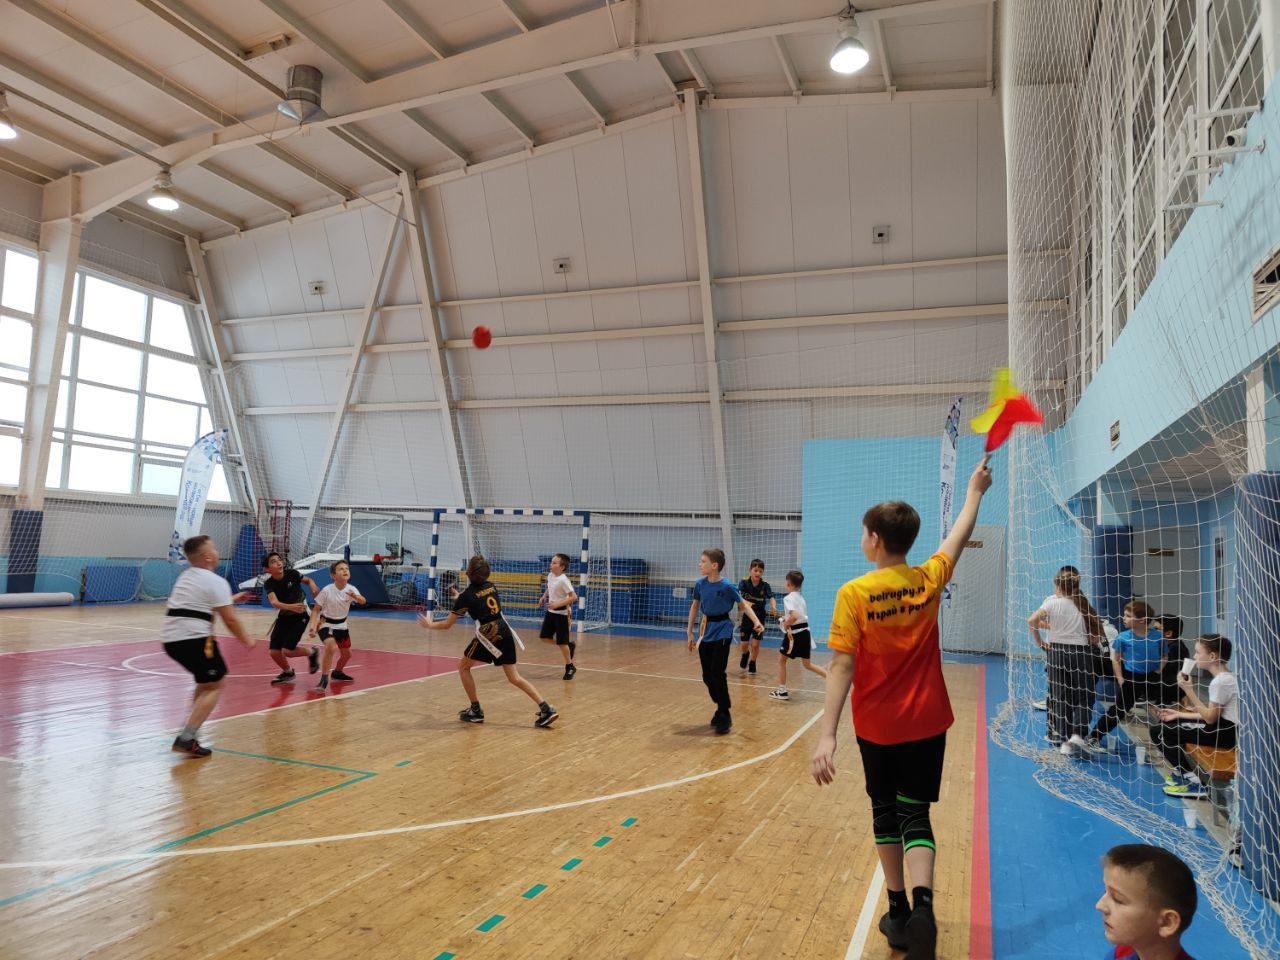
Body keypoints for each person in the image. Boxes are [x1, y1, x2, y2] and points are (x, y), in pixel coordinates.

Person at [812, 454, 993, 960]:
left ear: (873, 538)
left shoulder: (855, 593)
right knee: (916, 815)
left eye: (863, 532)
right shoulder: (928, 579)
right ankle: (923, 908)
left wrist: (827, 734)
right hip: (928, 721)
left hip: (878, 726)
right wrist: (975, 491)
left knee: (885, 813)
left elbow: (841, 667)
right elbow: (957, 536)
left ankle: (896, 911)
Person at [418, 555, 558, 728]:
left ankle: (476, 711)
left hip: (488, 634)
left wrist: (430, 625)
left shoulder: (466, 597)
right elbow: (478, 599)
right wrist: (460, 597)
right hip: (504, 629)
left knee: (464, 667)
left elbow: (447, 625)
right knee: (514, 677)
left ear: (468, 573)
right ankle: (546, 708)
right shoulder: (491, 586)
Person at [162, 535, 257, 757]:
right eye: (214, 549)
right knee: (216, 685)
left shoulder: (186, 577)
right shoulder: (216, 581)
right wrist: (246, 639)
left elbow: (200, 603)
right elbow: (230, 620)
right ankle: (186, 738)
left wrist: (232, 599)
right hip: (194, 639)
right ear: (208, 557)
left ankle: (190, 729)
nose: (217, 552)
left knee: (205, 683)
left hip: (171, 640)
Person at [1028, 566, 1105, 755]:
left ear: (1057, 585)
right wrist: (1090, 638)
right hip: (1080, 653)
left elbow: (1032, 620)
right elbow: (1098, 632)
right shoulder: (1081, 603)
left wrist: (1039, 641)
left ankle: (1064, 740)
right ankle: (1077, 735)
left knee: (1060, 696)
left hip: (1056, 652)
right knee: (1084, 695)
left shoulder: (1051, 603)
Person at [687, 548, 764, 735]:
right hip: (706, 630)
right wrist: (689, 632)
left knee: (717, 671)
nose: (699, 564)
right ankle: (721, 706)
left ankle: (724, 713)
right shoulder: (700, 584)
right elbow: (695, 606)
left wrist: (756, 621)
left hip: (723, 630)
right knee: (707, 676)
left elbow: (743, 605)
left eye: (703, 561)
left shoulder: (728, 586)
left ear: (714, 565)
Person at [1151, 634, 1238, 799]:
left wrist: (1188, 690)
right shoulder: (1227, 677)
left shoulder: (1220, 682)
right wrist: (1179, 714)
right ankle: (1181, 772)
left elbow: (1210, 718)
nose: (1194, 656)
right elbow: (1213, 714)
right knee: (1171, 723)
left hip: (1222, 734)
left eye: (1198, 652)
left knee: (1159, 731)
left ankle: (1193, 782)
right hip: (1222, 729)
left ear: (1212, 656)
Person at [1082, 600, 1165, 752]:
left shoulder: (1158, 637)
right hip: (1130, 677)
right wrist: (1120, 678)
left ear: (1142, 620)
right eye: (1124, 615)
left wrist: (1158, 671)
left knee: (1157, 706)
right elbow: (1116, 659)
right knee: (1119, 710)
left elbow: (1165, 655)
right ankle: (1093, 736)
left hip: (1150, 678)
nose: (1123, 618)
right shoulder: (1123, 637)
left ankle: (1166, 737)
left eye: (1128, 616)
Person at [1096, 844, 1198, 959]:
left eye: (1117, 899)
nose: (1099, 905)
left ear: (1166, 922)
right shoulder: (1121, 952)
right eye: (1105, 891)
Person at [260, 551, 320, 684]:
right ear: (267, 569)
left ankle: (312, 652)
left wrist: (313, 586)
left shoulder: (292, 574)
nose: (278, 563)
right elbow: (274, 603)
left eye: (279, 560)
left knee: (287, 650)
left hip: (301, 614)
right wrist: (290, 607)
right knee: (274, 652)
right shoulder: (269, 584)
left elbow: (308, 580)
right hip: (284, 615)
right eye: (273, 562)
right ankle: (288, 672)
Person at [306, 560, 366, 692]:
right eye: (341, 569)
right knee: (331, 646)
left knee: (347, 655)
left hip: (342, 625)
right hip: (325, 623)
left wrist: (356, 597)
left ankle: (337, 672)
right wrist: (312, 627)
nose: (345, 570)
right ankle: (324, 680)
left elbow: (363, 600)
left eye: (346, 568)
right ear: (333, 575)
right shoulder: (327, 590)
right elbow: (315, 610)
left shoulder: (351, 589)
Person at [768, 569, 826, 700]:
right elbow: (799, 615)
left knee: (781, 660)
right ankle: (831, 678)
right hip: (805, 632)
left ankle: (782, 691)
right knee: (807, 664)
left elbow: (795, 616)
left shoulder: (788, 598)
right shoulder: (801, 598)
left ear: (788, 583)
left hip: (795, 634)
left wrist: (786, 623)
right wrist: (785, 618)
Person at [538, 552, 579, 680]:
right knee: (544, 637)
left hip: (562, 614)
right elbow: (550, 587)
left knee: (562, 642)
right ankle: (568, 645)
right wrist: (544, 596)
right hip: (551, 613)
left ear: (562, 567)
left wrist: (557, 604)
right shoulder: (550, 575)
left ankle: (570, 666)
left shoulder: (564, 580)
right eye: (551, 562)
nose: (551, 564)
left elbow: (574, 597)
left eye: (554, 563)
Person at [737, 559, 777, 676]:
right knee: (744, 644)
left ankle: (753, 662)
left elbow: (771, 597)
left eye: (760, 571)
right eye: (755, 570)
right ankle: (745, 654)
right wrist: (745, 603)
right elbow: (737, 595)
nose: (758, 573)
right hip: (747, 616)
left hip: (760, 616)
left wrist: (773, 607)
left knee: (755, 644)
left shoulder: (765, 585)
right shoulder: (744, 582)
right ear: (750, 570)